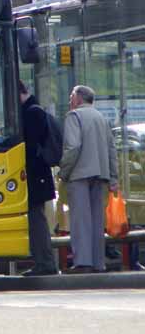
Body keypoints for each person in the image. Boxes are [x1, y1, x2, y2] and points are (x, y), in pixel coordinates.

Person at [59, 85, 119, 274]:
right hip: (101, 174)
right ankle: (98, 262)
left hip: (79, 174)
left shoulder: (74, 117)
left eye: (71, 97)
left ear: (78, 98)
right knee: (96, 220)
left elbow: (73, 147)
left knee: (80, 220)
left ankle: (83, 262)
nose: (70, 101)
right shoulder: (101, 118)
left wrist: (64, 171)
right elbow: (111, 149)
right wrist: (113, 177)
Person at [18, 80, 58, 276]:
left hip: (35, 176)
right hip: (38, 175)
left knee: (37, 220)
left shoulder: (31, 112)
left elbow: (31, 146)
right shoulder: (34, 110)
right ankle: (43, 262)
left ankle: (45, 263)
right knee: (36, 219)